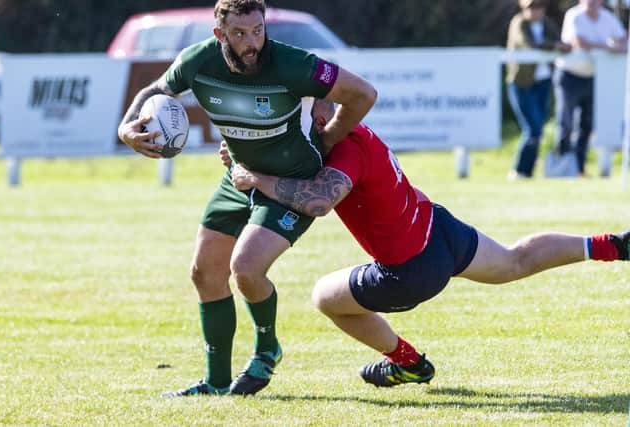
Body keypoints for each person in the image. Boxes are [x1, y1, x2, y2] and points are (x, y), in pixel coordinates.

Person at [228, 98, 630, 388]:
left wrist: (255, 178)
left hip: (411, 269)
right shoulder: (352, 130)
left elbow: (317, 200)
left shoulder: (344, 150)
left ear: (318, 119)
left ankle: (409, 364)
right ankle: (611, 246)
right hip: (439, 229)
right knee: (514, 261)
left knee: (324, 298)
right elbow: (304, 170)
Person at [117, 0, 377, 397]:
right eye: (239, 34)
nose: (252, 42)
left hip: (290, 181)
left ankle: (267, 347)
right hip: (239, 177)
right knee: (204, 273)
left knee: (247, 269)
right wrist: (126, 129)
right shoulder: (198, 60)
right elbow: (154, 90)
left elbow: (362, 93)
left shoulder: (290, 64)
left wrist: (328, 138)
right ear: (219, 34)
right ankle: (216, 382)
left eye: (258, 30)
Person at [553, 0, 627, 176]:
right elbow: (579, 42)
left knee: (586, 124)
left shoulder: (607, 18)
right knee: (566, 121)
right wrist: (608, 47)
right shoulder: (574, 15)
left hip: (591, 76)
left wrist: (616, 46)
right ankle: (563, 167)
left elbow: (623, 40)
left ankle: (579, 168)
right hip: (569, 74)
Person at [506, 0, 570, 179]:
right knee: (532, 129)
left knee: (538, 130)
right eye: (531, 7)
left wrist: (561, 45)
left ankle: (527, 172)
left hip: (542, 82)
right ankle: (519, 170)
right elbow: (529, 44)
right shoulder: (518, 23)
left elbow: (559, 40)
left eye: (539, 7)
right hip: (521, 83)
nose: (536, 11)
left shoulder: (546, 24)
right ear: (524, 9)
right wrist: (554, 46)